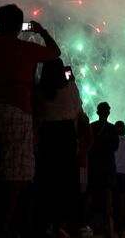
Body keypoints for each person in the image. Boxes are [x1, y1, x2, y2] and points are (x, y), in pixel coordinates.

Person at [0, 5, 60, 238]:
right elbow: (55, 52)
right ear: (19, 25)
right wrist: (42, 31)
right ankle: (2, 226)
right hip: (19, 110)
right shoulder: (27, 48)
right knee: (16, 171)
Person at [35, 58, 83, 237]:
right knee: (67, 179)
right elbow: (78, 110)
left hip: (47, 134)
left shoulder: (41, 90)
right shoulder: (70, 87)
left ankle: (46, 223)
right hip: (66, 134)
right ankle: (62, 224)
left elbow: (38, 114)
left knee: (47, 179)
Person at [87, 102, 119, 237]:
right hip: (107, 167)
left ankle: (88, 224)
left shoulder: (91, 127)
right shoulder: (112, 129)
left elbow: (89, 144)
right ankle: (109, 227)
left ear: (97, 112)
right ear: (108, 113)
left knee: (91, 195)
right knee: (107, 196)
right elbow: (115, 147)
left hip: (94, 166)